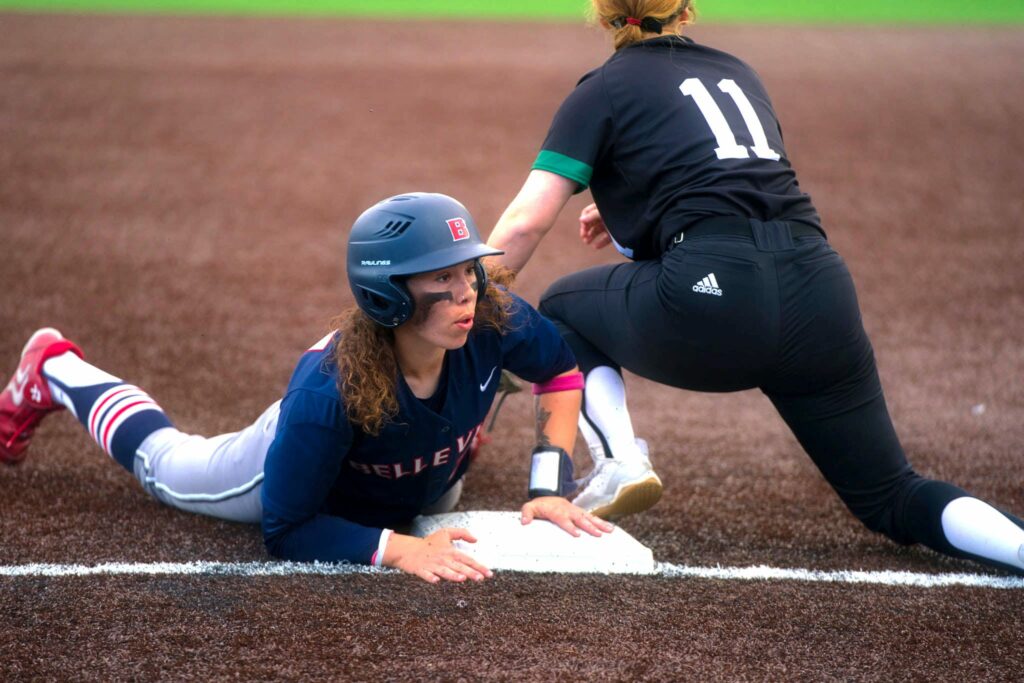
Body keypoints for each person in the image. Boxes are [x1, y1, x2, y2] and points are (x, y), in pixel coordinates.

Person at [486, 0, 1024, 575]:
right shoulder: (739, 72)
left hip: (717, 297)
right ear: (686, 9)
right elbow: (724, 184)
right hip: (819, 289)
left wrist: (477, 297)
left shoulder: (603, 88)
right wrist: (628, 214)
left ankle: (620, 460)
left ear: (602, 14)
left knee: (564, 306)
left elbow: (525, 221)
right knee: (892, 495)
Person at [0, 192, 612, 584]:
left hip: (404, 464)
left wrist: (548, 484)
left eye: (469, 271)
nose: (467, 293)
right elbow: (287, 529)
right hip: (286, 461)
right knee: (164, 466)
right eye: (442, 278)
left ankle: (448, 437)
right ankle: (54, 367)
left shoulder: (490, 316)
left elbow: (558, 373)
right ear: (388, 293)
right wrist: (399, 551)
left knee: (435, 481)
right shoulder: (328, 392)